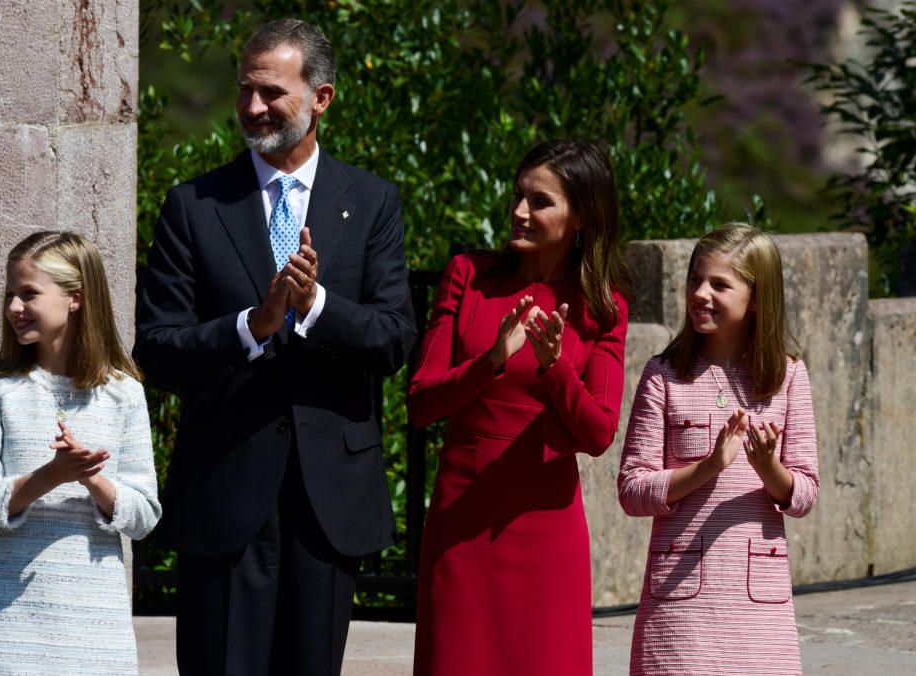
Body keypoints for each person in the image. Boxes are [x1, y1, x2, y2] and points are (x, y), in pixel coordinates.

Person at [133, 18, 416, 675]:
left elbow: (394, 337)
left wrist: (314, 305)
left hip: (328, 507)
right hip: (227, 491)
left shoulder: (371, 203)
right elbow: (160, 347)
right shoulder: (195, 205)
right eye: (244, 89)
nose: (253, 107)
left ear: (322, 98)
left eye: (272, 93)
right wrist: (255, 324)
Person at [408, 139, 631, 675]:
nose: (518, 211)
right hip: (461, 524)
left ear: (581, 217)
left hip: (545, 532)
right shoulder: (468, 275)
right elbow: (420, 403)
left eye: (539, 201)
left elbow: (598, 434)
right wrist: (491, 361)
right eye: (517, 195)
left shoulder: (603, 306)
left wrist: (553, 366)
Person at [617, 223, 820, 674]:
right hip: (679, 609)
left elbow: (805, 493)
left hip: (759, 608)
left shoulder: (788, 377)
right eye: (695, 279)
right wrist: (709, 466)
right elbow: (632, 490)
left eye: (719, 284)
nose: (700, 293)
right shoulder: (663, 374)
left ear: (756, 298)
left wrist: (770, 469)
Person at [0, 231, 161, 675]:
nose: (14, 307)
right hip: (4, 627)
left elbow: (145, 515)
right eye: (10, 294)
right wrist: (51, 476)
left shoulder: (124, 394)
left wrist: (90, 477)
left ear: (76, 299)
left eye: (29, 294)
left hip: (95, 633)